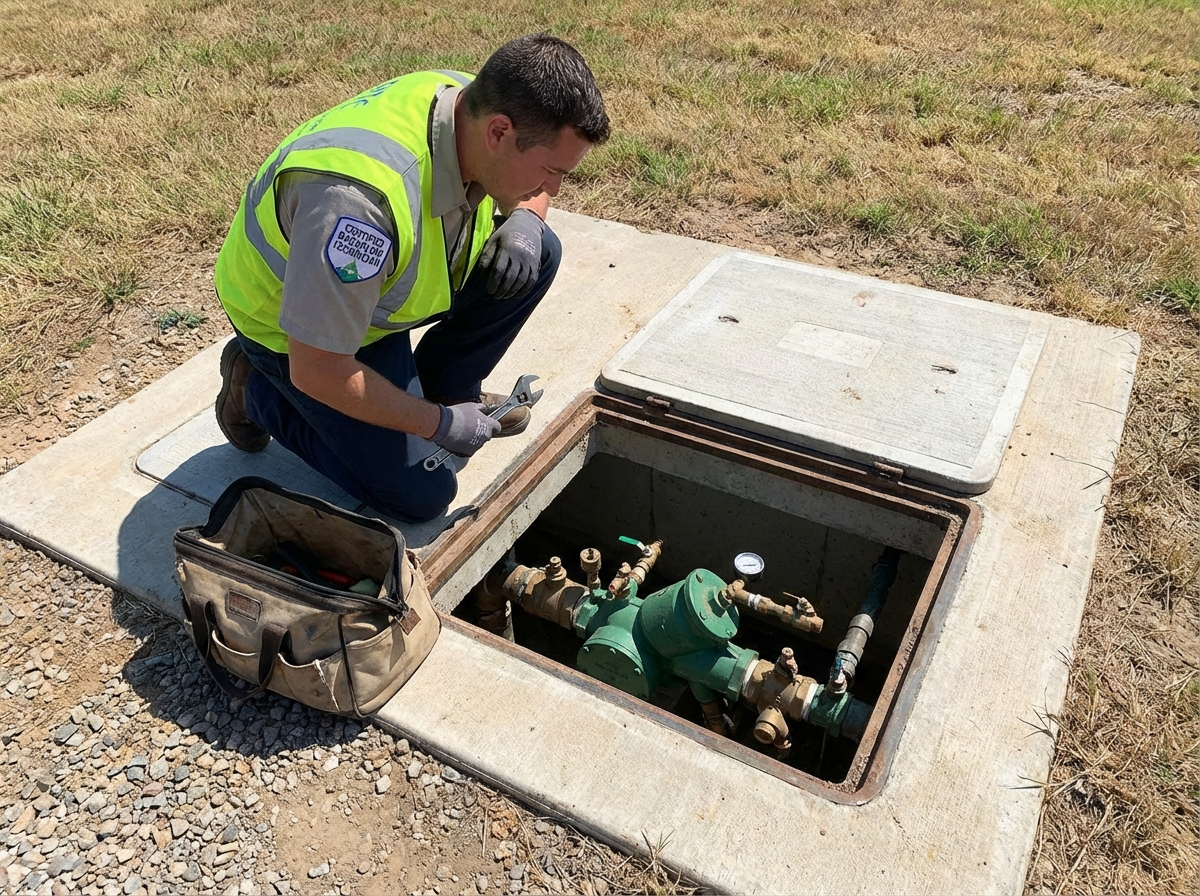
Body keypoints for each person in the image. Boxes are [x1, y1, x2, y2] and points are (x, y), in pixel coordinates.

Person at [212, 34, 609, 522]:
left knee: (538, 251)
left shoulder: (473, 103)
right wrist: (436, 424)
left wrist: (528, 216)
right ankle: (255, 391)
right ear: (500, 133)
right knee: (421, 495)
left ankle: (445, 385)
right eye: (549, 170)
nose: (552, 189)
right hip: (299, 334)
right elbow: (319, 368)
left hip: (371, 301)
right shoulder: (357, 209)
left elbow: (528, 200)